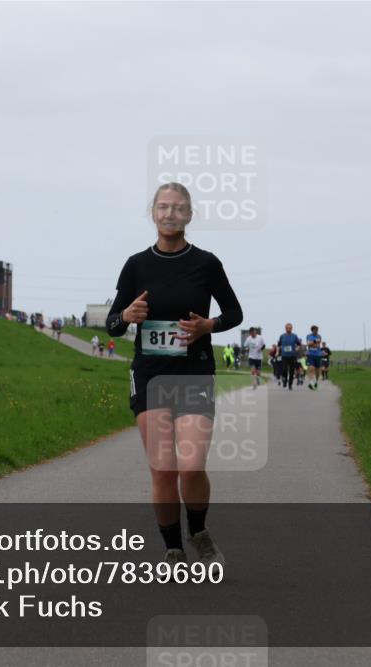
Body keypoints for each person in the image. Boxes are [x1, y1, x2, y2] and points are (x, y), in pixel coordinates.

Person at [105, 182, 242, 566]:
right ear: (153, 213)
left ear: (189, 215)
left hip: (195, 373)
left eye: (178, 208)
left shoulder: (206, 263)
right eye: (163, 207)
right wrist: (126, 316)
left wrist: (208, 326)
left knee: (192, 465)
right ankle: (172, 549)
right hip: (150, 374)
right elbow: (113, 324)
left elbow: (234, 313)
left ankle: (197, 530)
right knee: (164, 468)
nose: (170, 214)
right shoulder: (136, 265)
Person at [277, 322, 302, 390]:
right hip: (284, 355)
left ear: (292, 329)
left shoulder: (294, 336)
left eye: (290, 328)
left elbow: (299, 344)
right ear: (285, 329)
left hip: (292, 356)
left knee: (291, 371)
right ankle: (284, 380)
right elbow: (278, 345)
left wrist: (297, 348)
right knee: (284, 369)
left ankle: (290, 385)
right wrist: (277, 352)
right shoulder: (282, 336)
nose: (288, 329)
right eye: (287, 328)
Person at [305, 325, 324, 390]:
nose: (316, 331)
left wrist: (312, 343)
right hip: (311, 355)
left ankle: (316, 382)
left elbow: (317, 345)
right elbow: (308, 344)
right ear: (312, 330)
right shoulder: (308, 336)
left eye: (317, 330)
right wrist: (314, 342)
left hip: (318, 355)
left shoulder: (319, 336)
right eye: (315, 330)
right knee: (311, 368)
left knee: (318, 371)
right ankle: (311, 383)